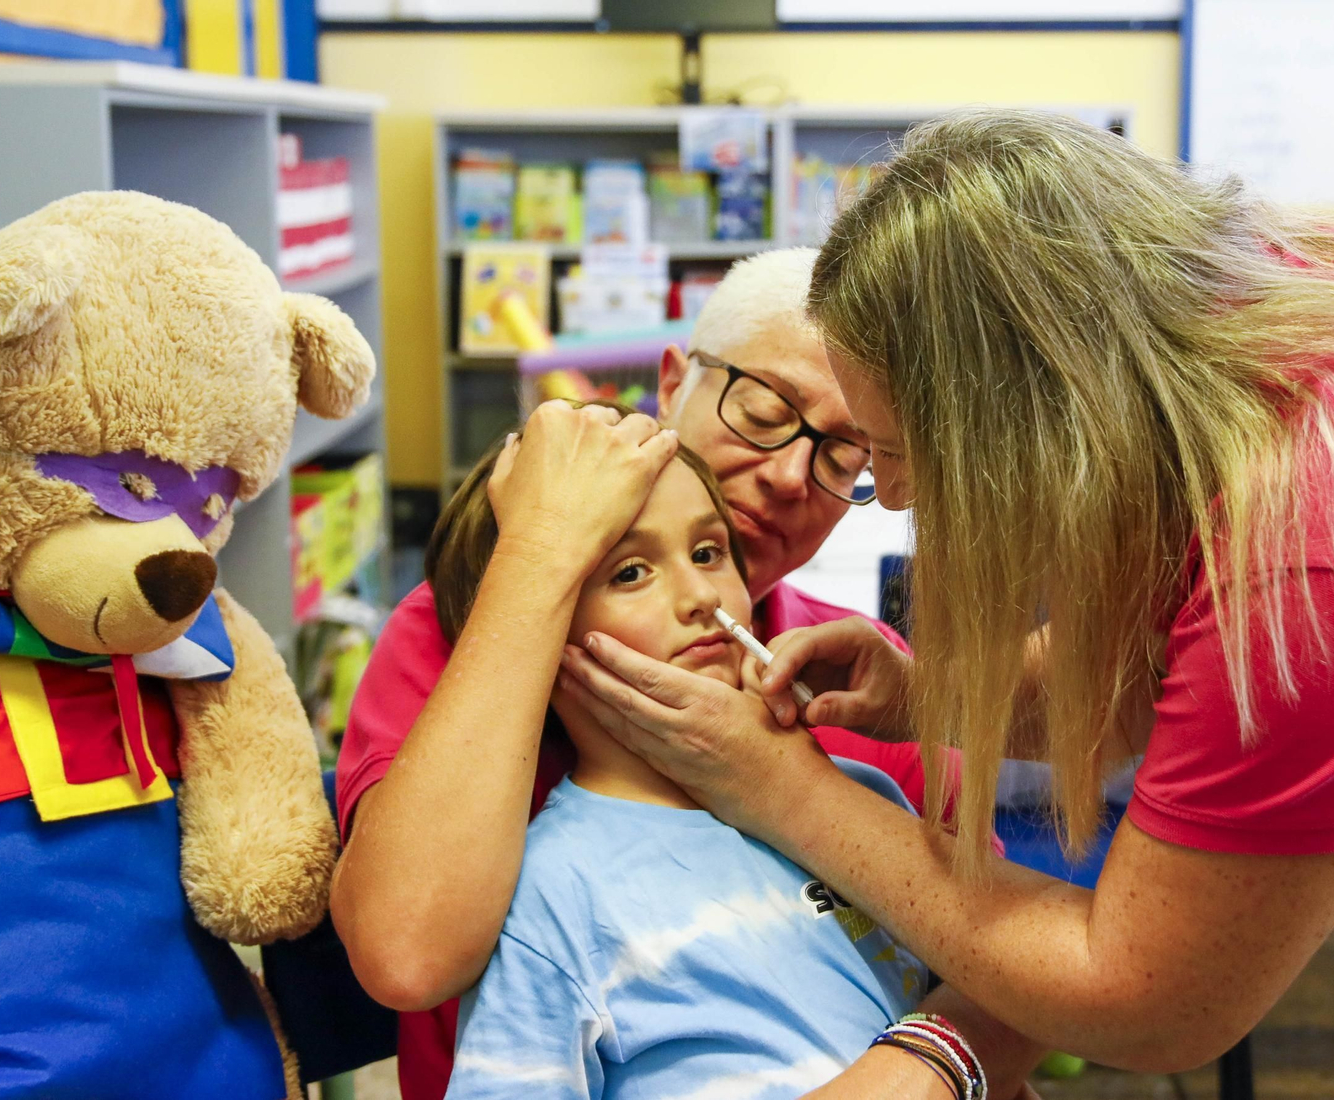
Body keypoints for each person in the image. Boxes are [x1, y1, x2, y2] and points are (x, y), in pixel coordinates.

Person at [558, 109, 1334, 1073]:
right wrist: (928, 696)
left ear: (1033, 414)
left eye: (893, 452)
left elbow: (1151, 999)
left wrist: (783, 790)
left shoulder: (1307, 548)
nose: (889, 494)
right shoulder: (1210, 323)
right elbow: (1171, 652)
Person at [329, 251, 1034, 1098]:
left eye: (846, 455)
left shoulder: (870, 688)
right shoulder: (477, 628)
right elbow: (406, 952)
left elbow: (1015, 964)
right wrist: (541, 564)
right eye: (764, 413)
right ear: (672, 382)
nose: (785, 476)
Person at [432, 432, 953, 1099]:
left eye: (708, 553)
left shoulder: (862, 797)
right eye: (630, 573)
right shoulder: (552, 899)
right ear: (535, 637)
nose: (700, 596)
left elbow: (980, 1026)